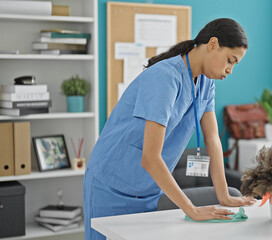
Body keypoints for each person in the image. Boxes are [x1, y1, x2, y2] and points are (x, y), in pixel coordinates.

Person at [83, 18, 255, 239]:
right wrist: (192, 210)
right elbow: (150, 158)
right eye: (230, 60)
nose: (230, 70)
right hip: (109, 185)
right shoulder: (165, 77)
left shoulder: (206, 83)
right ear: (212, 44)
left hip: (148, 192)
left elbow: (212, 139)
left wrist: (225, 196)